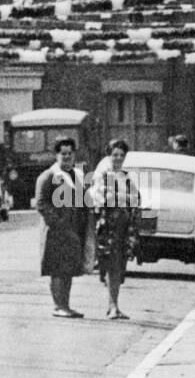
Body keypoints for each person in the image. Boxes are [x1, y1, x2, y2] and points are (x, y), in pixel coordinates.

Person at [35, 136, 90, 318]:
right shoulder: (48, 176)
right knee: (57, 269)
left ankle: (66, 305)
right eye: (62, 153)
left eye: (69, 153)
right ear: (56, 155)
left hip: (73, 231)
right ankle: (59, 306)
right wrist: (58, 223)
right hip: (55, 232)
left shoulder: (78, 175)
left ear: (74, 155)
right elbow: (41, 204)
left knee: (69, 269)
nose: (66, 157)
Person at [91, 138, 141, 319]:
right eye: (115, 155)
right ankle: (112, 306)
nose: (118, 158)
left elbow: (136, 198)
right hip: (108, 227)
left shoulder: (126, 177)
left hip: (124, 227)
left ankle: (115, 305)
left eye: (121, 155)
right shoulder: (102, 175)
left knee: (120, 266)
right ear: (108, 156)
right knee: (111, 265)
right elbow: (100, 198)